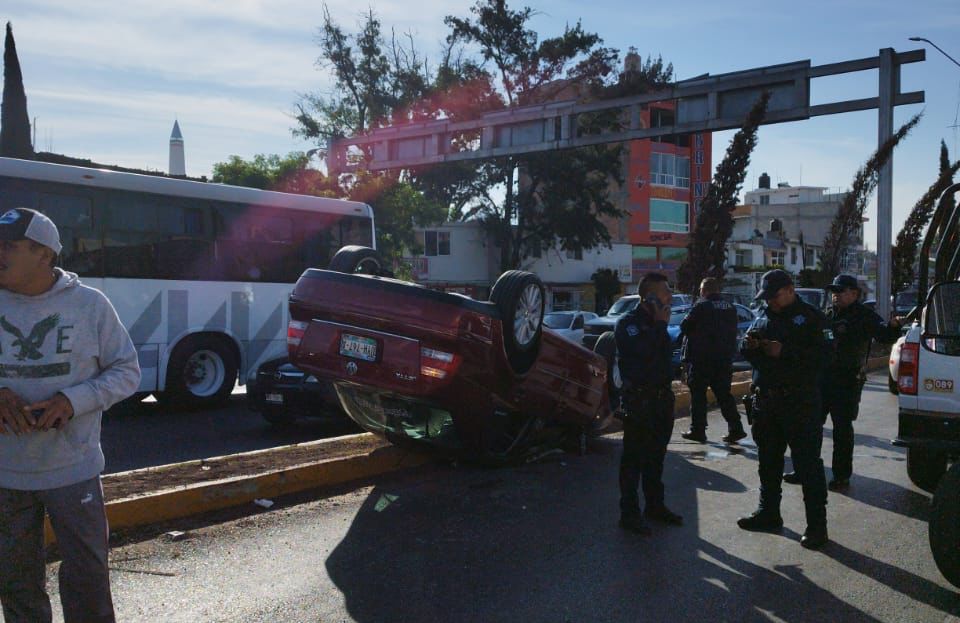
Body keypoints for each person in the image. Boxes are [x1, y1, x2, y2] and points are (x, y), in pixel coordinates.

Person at [0, 208, 141, 623]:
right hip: (5, 476)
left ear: (44, 254)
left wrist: (72, 400)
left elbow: (127, 371)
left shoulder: (89, 306)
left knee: (87, 581)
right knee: (15, 583)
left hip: (72, 471)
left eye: (8, 245)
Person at [783, 274, 902, 490]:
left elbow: (884, 335)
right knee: (810, 426)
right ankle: (804, 469)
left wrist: (894, 326)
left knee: (842, 429)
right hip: (822, 378)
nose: (835, 295)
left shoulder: (864, 316)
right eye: (834, 291)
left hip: (846, 380)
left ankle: (841, 475)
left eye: (840, 291)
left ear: (854, 294)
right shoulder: (828, 314)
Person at [737, 269, 829, 549]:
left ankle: (816, 526)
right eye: (767, 297)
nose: (771, 302)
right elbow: (748, 351)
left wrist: (785, 351)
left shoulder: (812, 318)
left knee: (807, 466)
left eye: (774, 296)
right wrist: (750, 346)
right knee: (768, 462)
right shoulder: (764, 316)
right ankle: (769, 512)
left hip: (799, 402)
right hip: (767, 402)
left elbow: (826, 357)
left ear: (790, 290)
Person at [615, 272, 683, 534]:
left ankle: (655, 506)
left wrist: (660, 325)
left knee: (656, 458)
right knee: (633, 461)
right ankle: (629, 513)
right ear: (650, 297)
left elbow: (665, 358)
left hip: (661, 399)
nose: (671, 296)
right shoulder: (628, 324)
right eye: (665, 292)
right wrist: (659, 325)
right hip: (640, 401)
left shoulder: (661, 323)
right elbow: (643, 355)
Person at [679, 277, 746, 444]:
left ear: (705, 291)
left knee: (698, 394)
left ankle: (698, 430)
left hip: (702, 359)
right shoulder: (730, 307)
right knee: (724, 394)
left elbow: (684, 326)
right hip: (723, 359)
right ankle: (736, 428)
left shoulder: (701, 306)